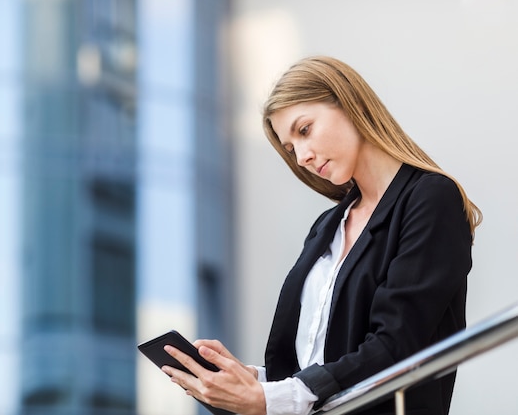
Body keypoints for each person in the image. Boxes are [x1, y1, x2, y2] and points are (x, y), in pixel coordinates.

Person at [161, 55, 481, 415]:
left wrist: (271, 399)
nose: (301, 158)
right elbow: (320, 364)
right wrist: (252, 382)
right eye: (291, 148)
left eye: (304, 130)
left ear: (348, 102)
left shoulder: (430, 198)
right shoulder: (328, 225)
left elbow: (396, 343)